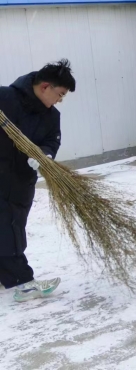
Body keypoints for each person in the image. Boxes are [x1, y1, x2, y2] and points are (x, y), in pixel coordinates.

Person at [0, 59, 75, 302]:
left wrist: (44, 155)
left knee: (12, 227)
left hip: (21, 182)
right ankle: (22, 282)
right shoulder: (5, 99)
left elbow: (53, 141)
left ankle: (9, 279)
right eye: (60, 94)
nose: (60, 100)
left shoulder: (52, 117)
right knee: (8, 230)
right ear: (45, 86)